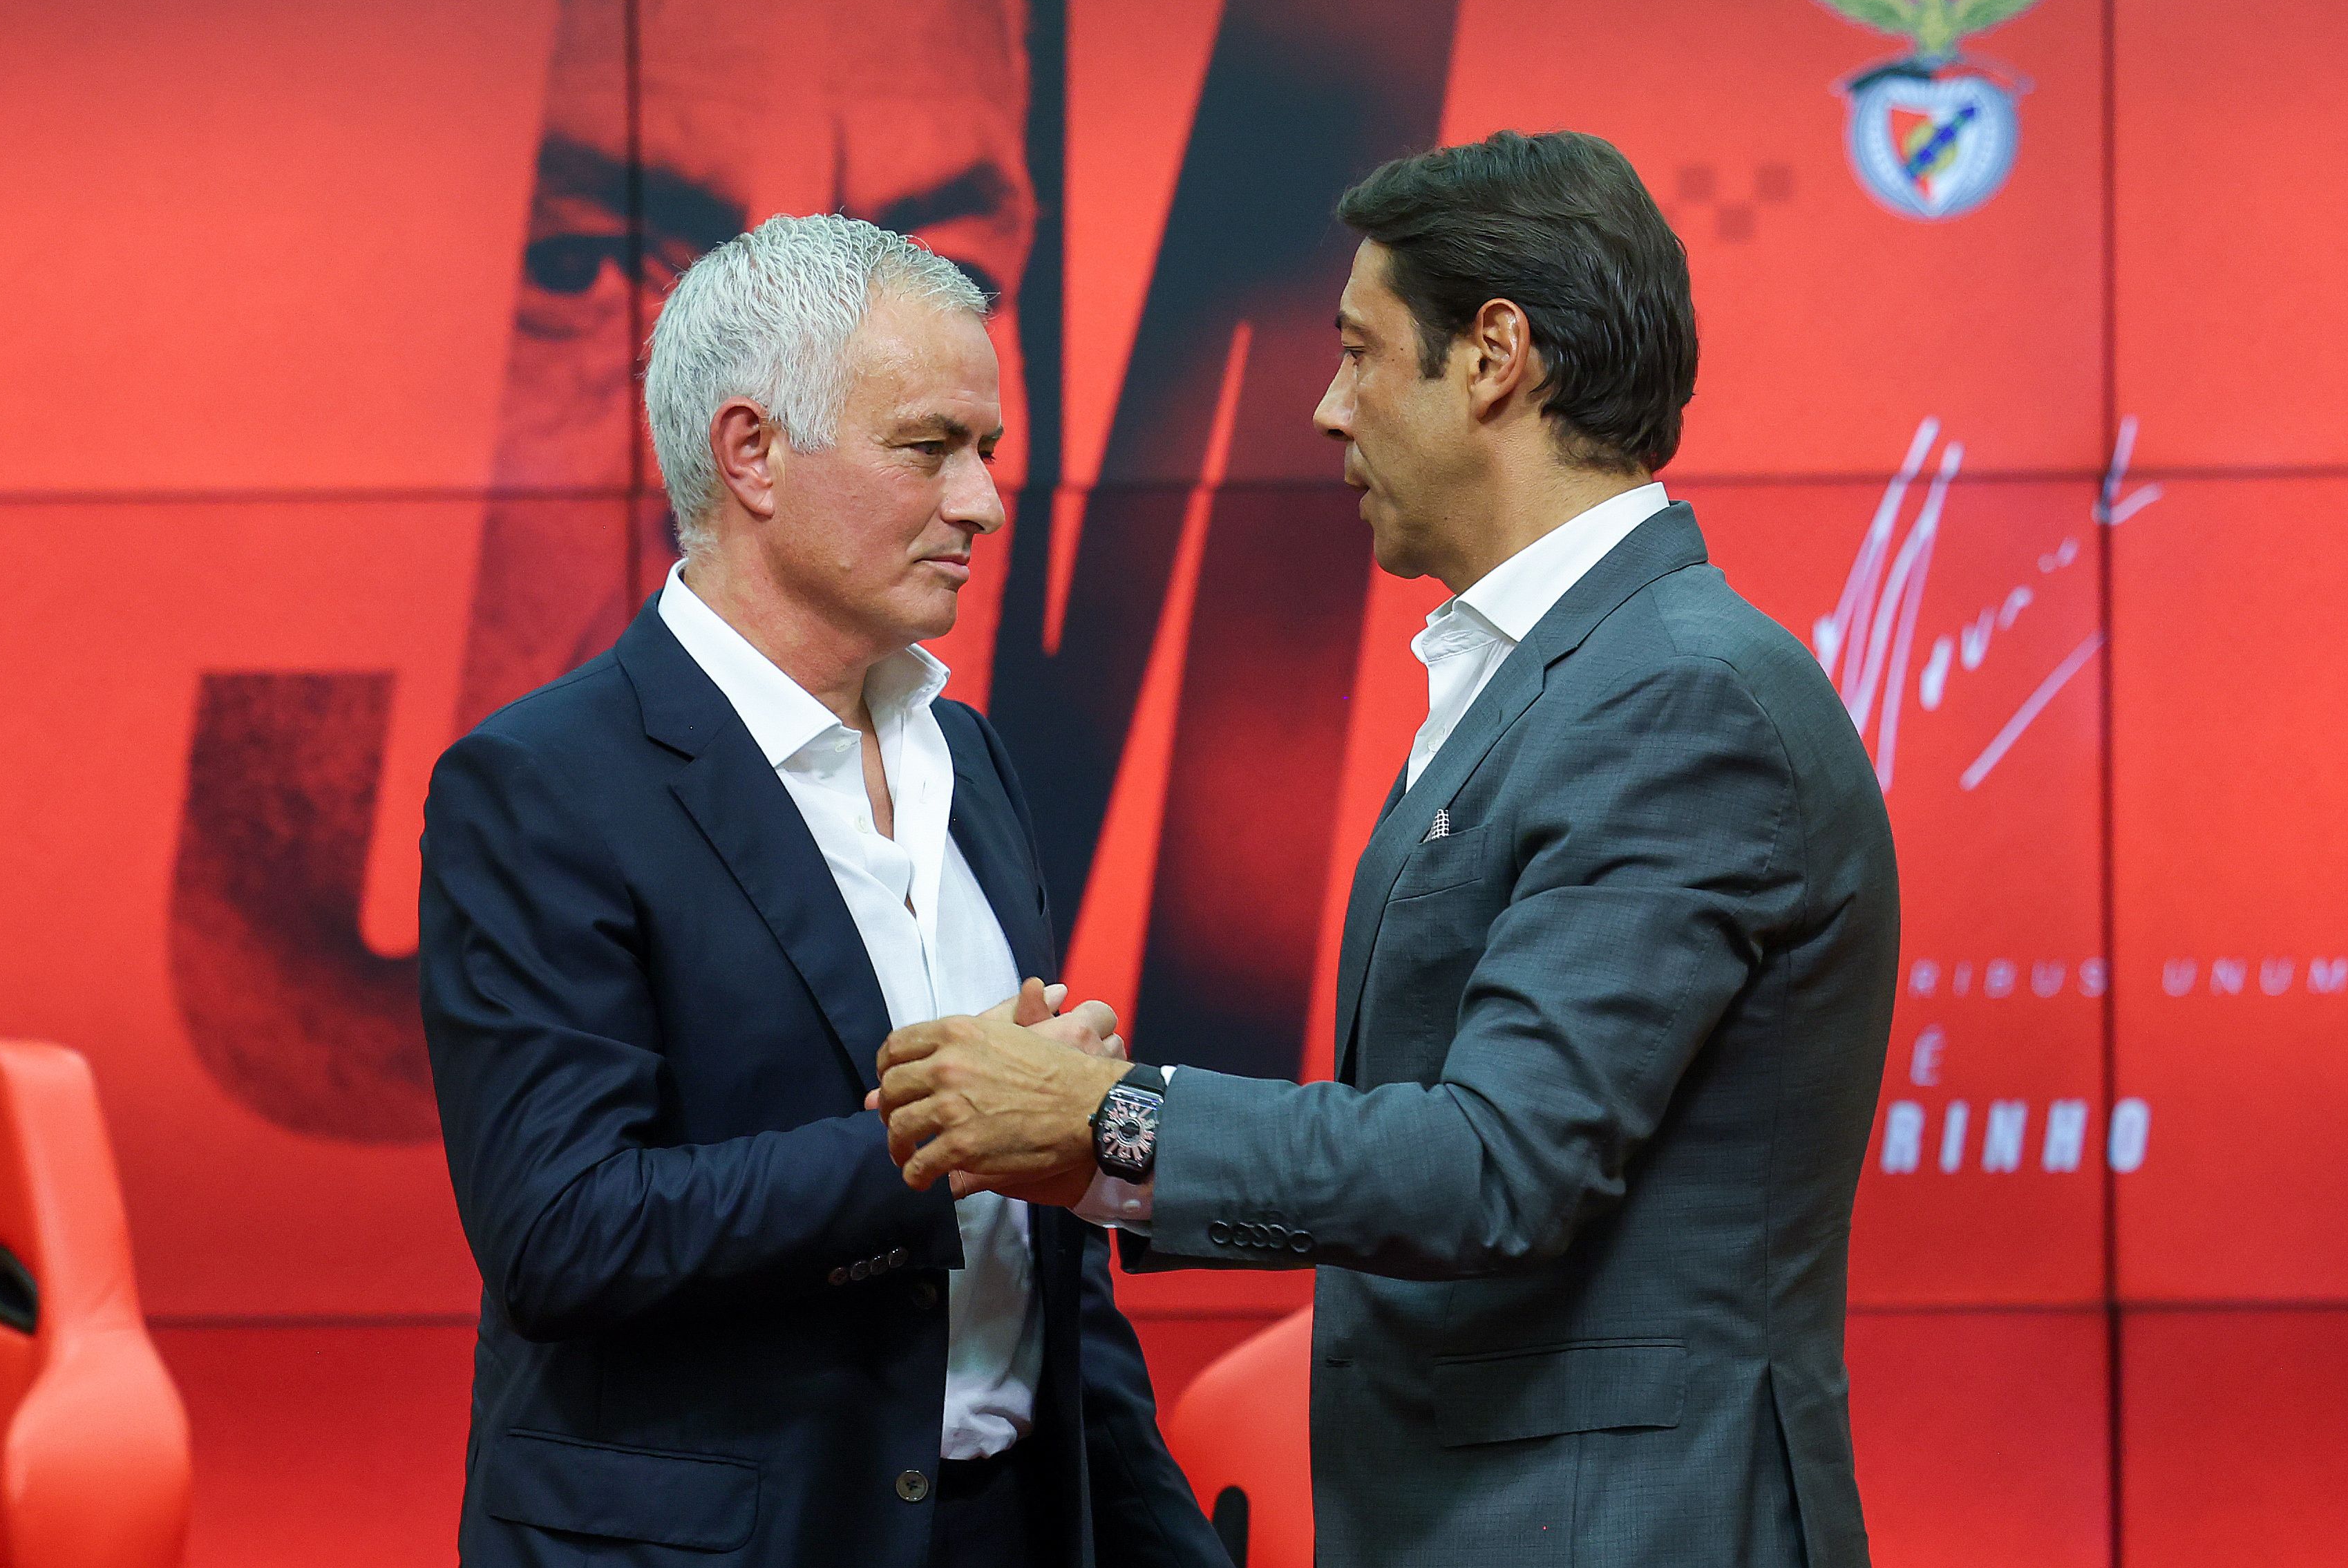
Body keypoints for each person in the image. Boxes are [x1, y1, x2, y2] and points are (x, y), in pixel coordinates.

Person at [875, 131, 1902, 1568]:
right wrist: (1085, 1150)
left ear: (1493, 357)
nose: (1323, 408)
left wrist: (1109, 1118)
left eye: (1359, 353)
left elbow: (1495, 1166)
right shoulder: (1565, 673)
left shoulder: (1677, 699)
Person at [419, 214, 1230, 1568]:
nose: (979, 500)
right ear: (751, 454)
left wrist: (1153, 1535)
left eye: (988, 453)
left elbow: (1043, 1261)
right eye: (930, 447)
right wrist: (950, 1136)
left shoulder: (964, 754)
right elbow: (565, 1234)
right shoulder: (544, 783)